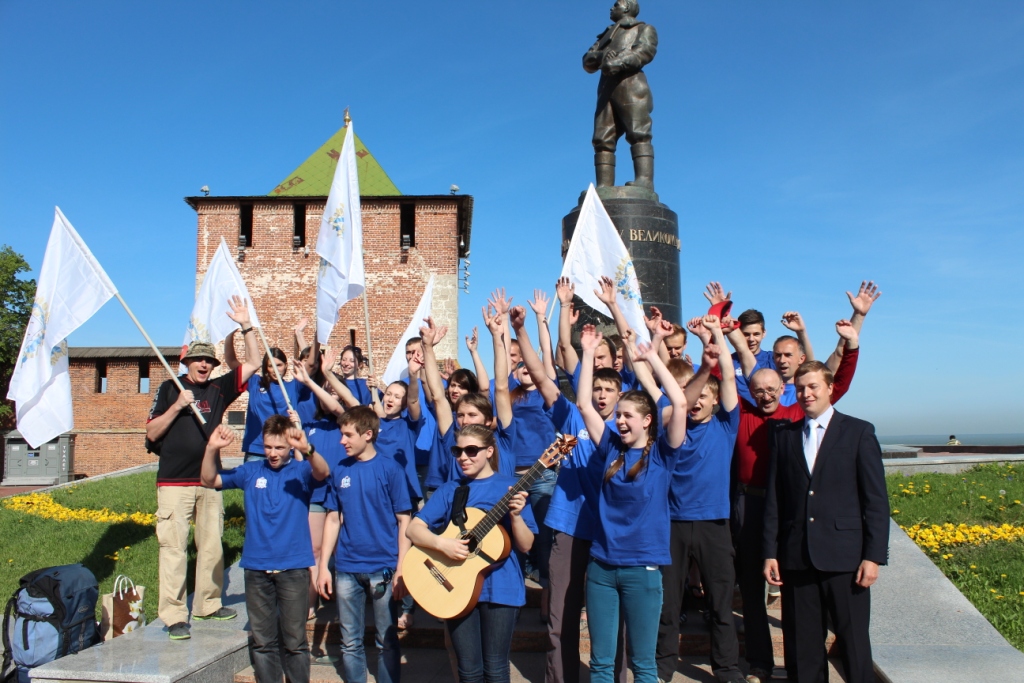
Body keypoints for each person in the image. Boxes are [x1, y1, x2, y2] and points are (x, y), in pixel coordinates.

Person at [727, 321, 861, 683]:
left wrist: (851, 338)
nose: (766, 395)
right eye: (759, 390)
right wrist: (719, 331)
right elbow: (726, 373)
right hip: (749, 508)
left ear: (782, 390)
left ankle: (799, 666)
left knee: (797, 597)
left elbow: (835, 379)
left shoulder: (795, 415)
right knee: (752, 591)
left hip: (789, 512)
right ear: (751, 391)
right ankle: (759, 663)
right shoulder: (739, 414)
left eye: (772, 389)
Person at [509, 308, 633, 683]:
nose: (600, 395)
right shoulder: (572, 418)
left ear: (620, 393)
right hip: (568, 524)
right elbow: (545, 380)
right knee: (561, 617)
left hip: (611, 532)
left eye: (608, 389)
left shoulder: (627, 430)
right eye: (595, 388)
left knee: (614, 623)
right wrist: (521, 330)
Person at [763, 362, 889, 683]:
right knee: (804, 648)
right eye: (801, 388)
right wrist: (770, 552)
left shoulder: (859, 432)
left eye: (813, 387)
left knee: (855, 645)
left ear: (830, 388)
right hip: (797, 557)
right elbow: (775, 500)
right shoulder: (785, 437)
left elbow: (875, 501)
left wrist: (873, 557)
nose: (806, 394)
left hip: (846, 559)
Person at [144, 295, 261, 640]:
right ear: (187, 362)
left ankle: (208, 603)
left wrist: (246, 325)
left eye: (208, 361)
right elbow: (151, 431)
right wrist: (178, 406)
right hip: (174, 482)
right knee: (174, 548)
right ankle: (174, 614)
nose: (204, 365)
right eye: (197, 360)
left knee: (211, 545)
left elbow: (254, 361)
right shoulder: (170, 388)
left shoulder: (219, 389)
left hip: (209, 480)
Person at [577, 324, 688, 683]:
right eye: (618, 415)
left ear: (647, 420)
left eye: (628, 416)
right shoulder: (610, 446)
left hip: (643, 571)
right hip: (602, 570)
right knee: (602, 665)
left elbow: (680, 402)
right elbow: (583, 404)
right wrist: (588, 353)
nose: (620, 420)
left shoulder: (662, 454)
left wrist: (651, 356)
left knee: (643, 666)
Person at [199, 418, 329, 683]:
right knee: (263, 642)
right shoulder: (251, 471)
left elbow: (323, 472)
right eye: (268, 447)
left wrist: (308, 449)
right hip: (256, 569)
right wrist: (212, 448)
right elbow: (209, 480)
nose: (272, 453)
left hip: (293, 569)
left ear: (288, 446)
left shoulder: (300, 471)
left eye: (279, 448)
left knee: (295, 642)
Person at [407, 425, 537, 683]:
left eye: (471, 450)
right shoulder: (451, 490)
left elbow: (526, 545)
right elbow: (414, 529)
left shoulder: (512, 487)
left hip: (502, 587)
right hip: (455, 586)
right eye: (458, 451)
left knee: (496, 669)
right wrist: (443, 545)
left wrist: (517, 516)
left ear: (489, 451)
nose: (463, 457)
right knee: (468, 671)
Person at [656, 315, 745, 683]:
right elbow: (675, 399)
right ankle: (660, 670)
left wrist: (716, 338)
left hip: (713, 525)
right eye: (694, 396)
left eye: (705, 396)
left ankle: (726, 670)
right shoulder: (670, 429)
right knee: (668, 607)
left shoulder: (726, 425)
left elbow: (724, 372)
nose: (697, 403)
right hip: (673, 525)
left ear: (714, 400)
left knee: (721, 606)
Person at [316, 406, 412, 683]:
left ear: (368, 434)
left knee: (387, 641)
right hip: (346, 567)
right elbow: (333, 518)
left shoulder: (390, 469)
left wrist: (401, 567)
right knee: (350, 642)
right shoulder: (340, 470)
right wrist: (324, 566)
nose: (341, 441)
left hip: (382, 567)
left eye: (347, 435)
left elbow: (404, 520)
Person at [583, 0, 659, 190]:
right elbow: (587, 61)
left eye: (616, 4)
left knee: (639, 132)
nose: (611, 8)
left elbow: (644, 52)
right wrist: (602, 56)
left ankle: (644, 181)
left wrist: (618, 61)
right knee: (602, 138)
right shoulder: (605, 35)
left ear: (627, 8)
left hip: (631, 85)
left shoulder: (643, 28)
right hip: (606, 89)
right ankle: (604, 186)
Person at [230, 343, 299, 463]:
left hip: (284, 449)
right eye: (271, 366)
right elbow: (232, 362)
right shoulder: (255, 383)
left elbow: (311, 366)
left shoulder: (293, 386)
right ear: (266, 368)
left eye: (279, 365)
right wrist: (230, 336)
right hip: (257, 449)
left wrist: (299, 334)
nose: (276, 370)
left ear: (286, 365)